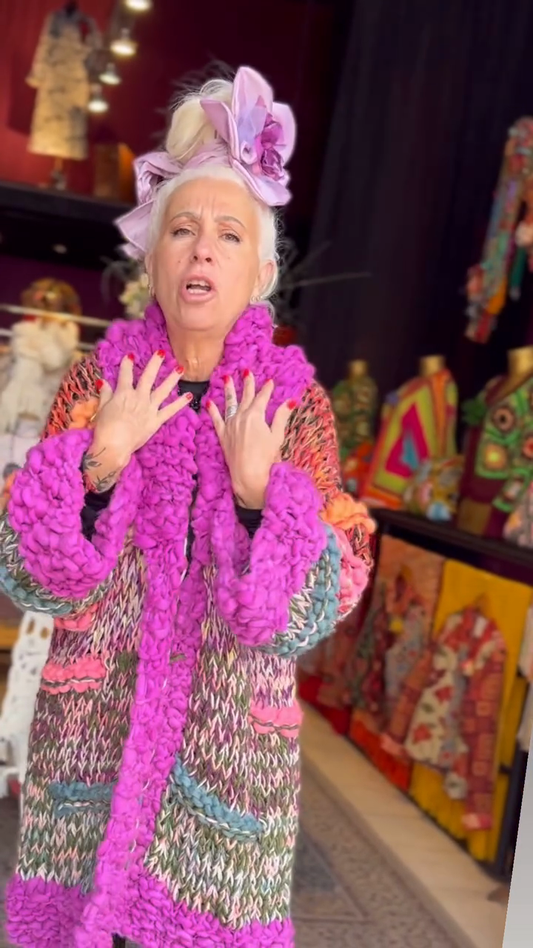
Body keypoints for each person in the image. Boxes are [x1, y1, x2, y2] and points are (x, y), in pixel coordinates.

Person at [2, 65, 373, 948]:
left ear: (261, 270)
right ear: (152, 259)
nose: (202, 250)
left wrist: (258, 497)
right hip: (92, 747)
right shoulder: (98, 383)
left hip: (224, 768)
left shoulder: (292, 406)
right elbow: (27, 578)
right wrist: (100, 458)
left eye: (228, 234)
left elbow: (312, 610)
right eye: (182, 230)